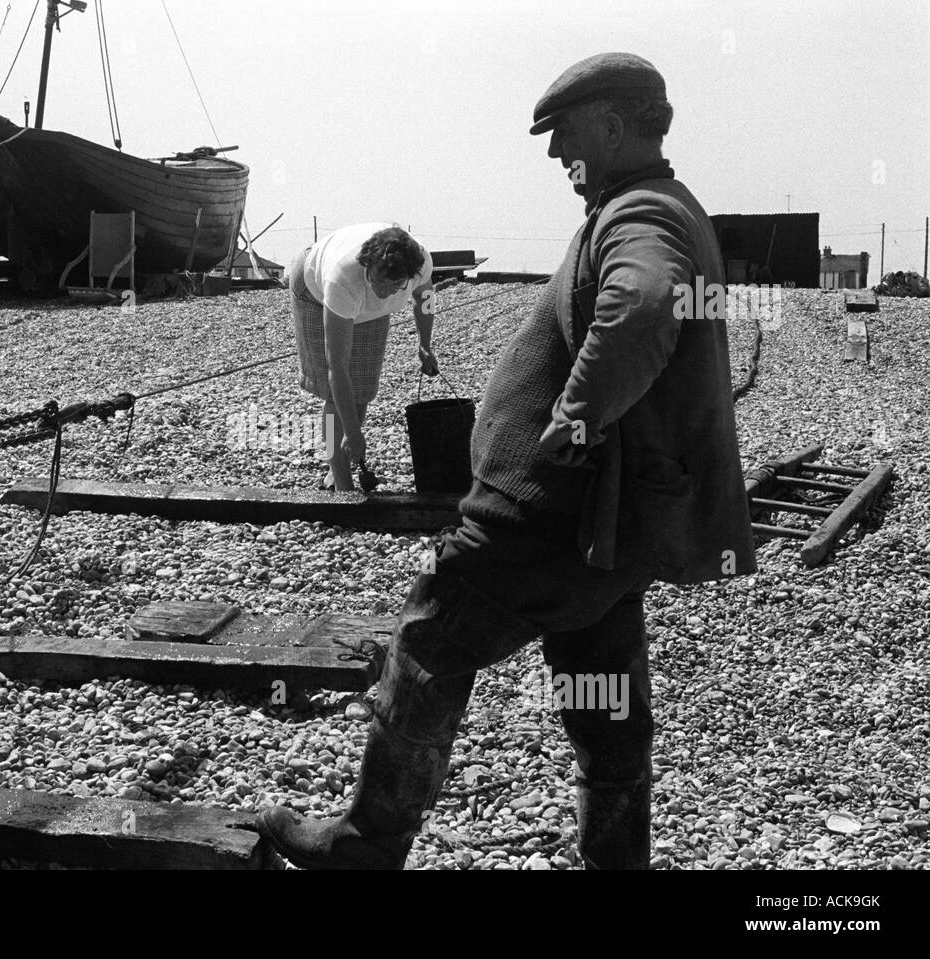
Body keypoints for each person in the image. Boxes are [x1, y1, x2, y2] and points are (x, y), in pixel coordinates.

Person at [258, 52, 756, 869]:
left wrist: (579, 412)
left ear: (613, 124)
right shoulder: (659, 202)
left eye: (566, 138)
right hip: (604, 525)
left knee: (426, 646)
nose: (561, 157)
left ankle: (366, 842)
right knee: (604, 696)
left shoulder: (641, 217)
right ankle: (617, 856)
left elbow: (643, 303)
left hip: (542, 514)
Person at [286, 224, 439, 491]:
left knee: (362, 390)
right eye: (379, 280)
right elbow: (338, 368)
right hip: (314, 291)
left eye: (396, 285)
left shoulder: (421, 261)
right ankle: (343, 486)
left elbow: (425, 296)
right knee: (335, 396)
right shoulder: (342, 280)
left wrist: (425, 343)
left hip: (368, 311)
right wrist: (354, 433)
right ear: (367, 265)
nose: (385, 290)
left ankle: (341, 460)